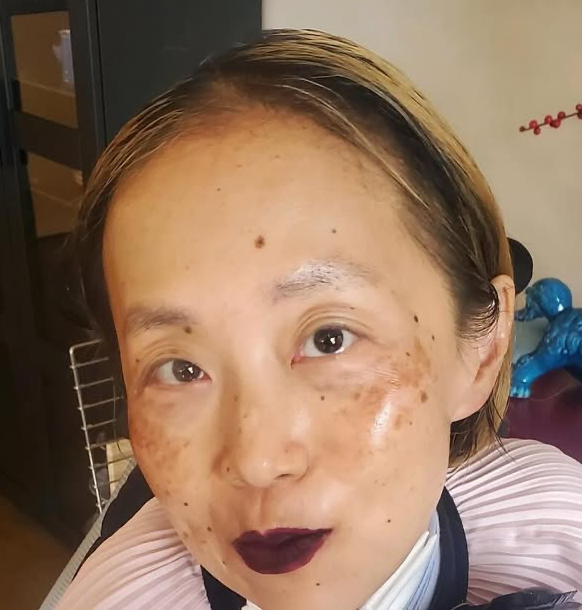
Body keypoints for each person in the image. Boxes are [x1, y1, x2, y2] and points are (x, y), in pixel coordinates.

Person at [54, 30, 582, 609]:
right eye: (179, 368)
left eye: (329, 338)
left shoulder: (562, 540)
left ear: (481, 350)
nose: (257, 462)